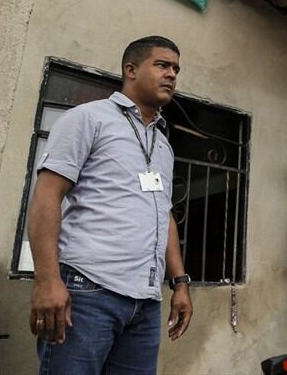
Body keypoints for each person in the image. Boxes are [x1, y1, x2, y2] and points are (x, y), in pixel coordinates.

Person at [28, 36, 192, 374]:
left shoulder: (163, 145)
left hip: (146, 303)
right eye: (162, 65)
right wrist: (47, 280)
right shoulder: (88, 118)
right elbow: (47, 196)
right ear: (131, 70)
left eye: (176, 69)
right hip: (88, 291)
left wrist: (180, 283)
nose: (172, 75)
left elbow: (164, 215)